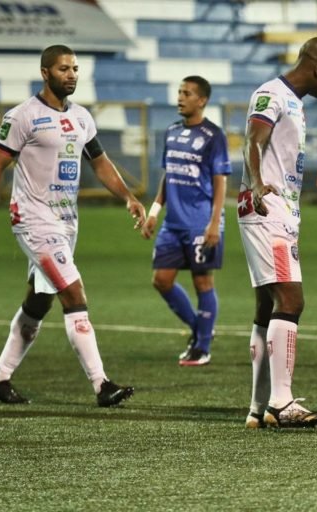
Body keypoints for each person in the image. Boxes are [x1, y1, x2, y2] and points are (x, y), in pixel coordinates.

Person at [0, 44, 145, 406]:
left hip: (66, 222)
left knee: (39, 300)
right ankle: (102, 384)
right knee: (73, 294)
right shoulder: (22, 116)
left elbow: (101, 163)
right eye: (63, 69)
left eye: (75, 68)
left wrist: (128, 197)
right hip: (33, 221)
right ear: (45, 73)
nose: (72, 74)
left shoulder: (82, 117)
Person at [238, 37, 317, 428]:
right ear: (316, 67)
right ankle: (281, 403)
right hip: (267, 207)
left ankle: (257, 407)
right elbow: (253, 138)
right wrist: (257, 182)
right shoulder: (271, 94)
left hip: (281, 210)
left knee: (268, 307)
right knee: (291, 300)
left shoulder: (294, 101)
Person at [141, 76, 231, 366]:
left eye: (187, 93)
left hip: (200, 222)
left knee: (203, 282)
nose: (180, 97)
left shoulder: (214, 136)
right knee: (161, 280)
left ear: (201, 100)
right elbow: (169, 174)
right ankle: (201, 329)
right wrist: (155, 211)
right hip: (173, 222)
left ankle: (202, 347)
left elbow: (220, 183)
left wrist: (214, 222)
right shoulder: (171, 131)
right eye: (179, 92)